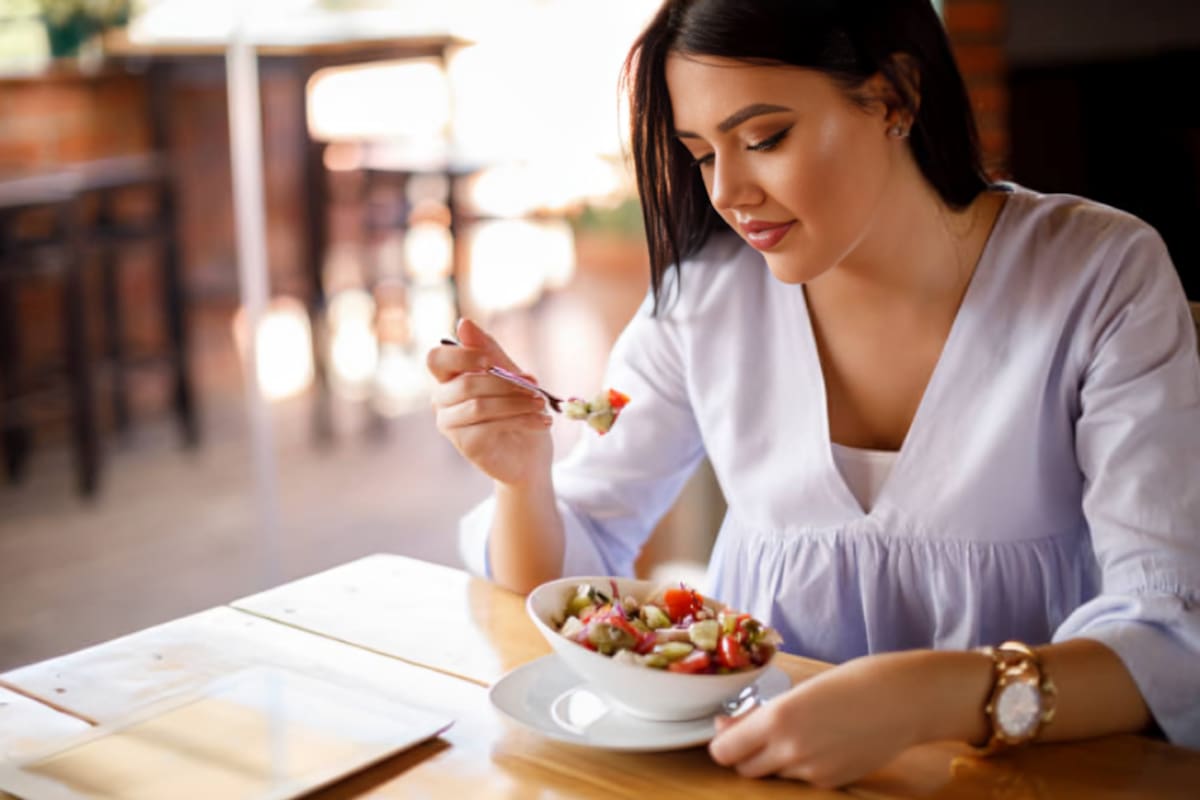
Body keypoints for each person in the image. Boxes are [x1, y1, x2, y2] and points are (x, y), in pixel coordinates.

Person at [427, 0, 1200, 787]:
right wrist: (524, 480)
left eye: (765, 138)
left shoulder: (1100, 275)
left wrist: (918, 699)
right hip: (745, 778)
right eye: (700, 154)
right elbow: (566, 586)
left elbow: (1170, 634)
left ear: (895, 95)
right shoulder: (705, 301)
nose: (728, 191)